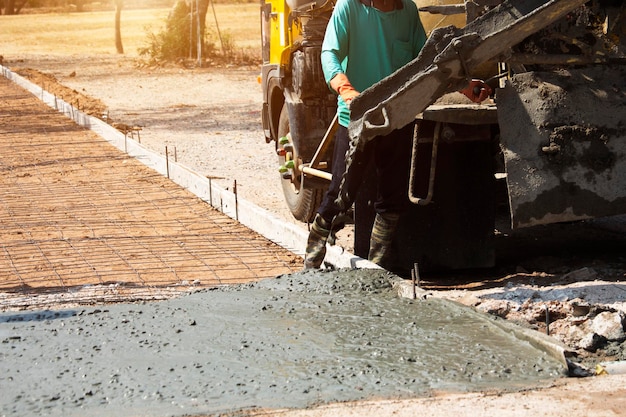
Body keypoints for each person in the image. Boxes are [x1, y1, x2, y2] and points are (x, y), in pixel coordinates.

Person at [304, 0, 491, 269]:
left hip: (397, 118)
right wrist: (346, 90)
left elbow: (427, 64)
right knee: (340, 196)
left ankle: (377, 266)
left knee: (392, 200)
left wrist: (463, 85)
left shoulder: (407, 11)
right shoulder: (350, 8)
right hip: (357, 120)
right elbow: (329, 53)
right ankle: (310, 262)